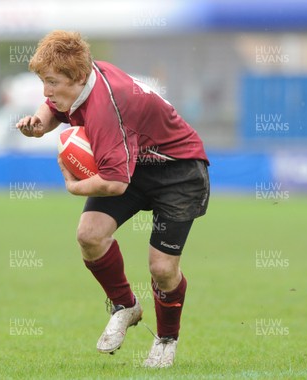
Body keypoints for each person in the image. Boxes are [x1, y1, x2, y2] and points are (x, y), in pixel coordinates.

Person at [16, 30, 210, 368]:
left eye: (52, 82)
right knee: (89, 235)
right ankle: (126, 306)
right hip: (133, 162)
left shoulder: (107, 110)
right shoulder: (83, 76)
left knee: (162, 268)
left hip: (177, 171)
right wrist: (39, 124)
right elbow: (53, 106)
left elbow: (116, 184)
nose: (46, 91)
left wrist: (74, 186)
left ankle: (166, 339)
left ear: (76, 78)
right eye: (43, 81)